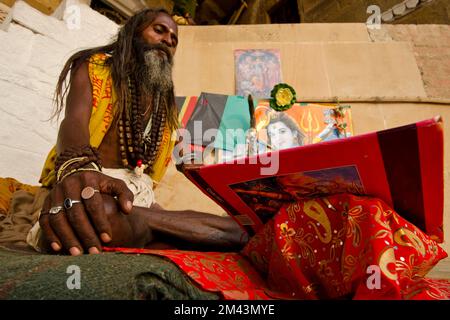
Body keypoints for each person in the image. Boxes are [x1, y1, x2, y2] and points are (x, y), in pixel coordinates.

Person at [0, 8, 247, 256]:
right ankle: (164, 228)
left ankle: (149, 224)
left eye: (173, 40)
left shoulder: (165, 102)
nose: (167, 41)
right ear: (133, 32)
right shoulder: (94, 67)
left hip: (138, 198)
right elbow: (73, 121)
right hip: (93, 182)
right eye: (159, 30)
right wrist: (79, 168)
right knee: (95, 211)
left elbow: (174, 150)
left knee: (235, 225)